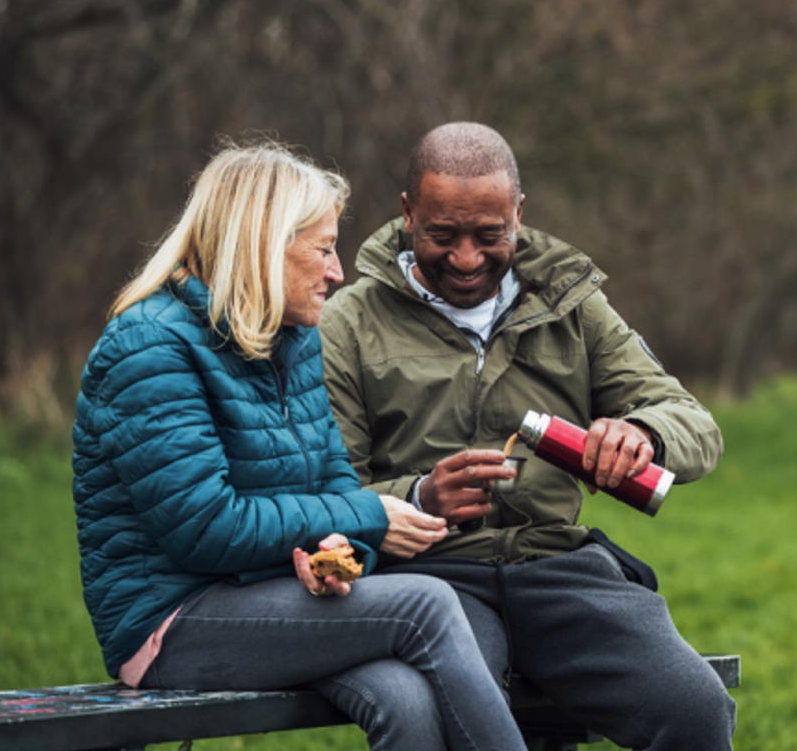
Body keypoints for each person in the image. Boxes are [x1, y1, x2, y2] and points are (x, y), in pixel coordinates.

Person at [71, 141, 531, 751]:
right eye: (323, 249)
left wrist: (339, 557)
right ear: (263, 244)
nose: (337, 272)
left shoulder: (293, 341)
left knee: (406, 698)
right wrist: (366, 516)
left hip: (269, 598)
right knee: (428, 602)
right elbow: (206, 525)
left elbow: (333, 485)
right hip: (171, 623)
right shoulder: (149, 348)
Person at [319, 122, 737, 750]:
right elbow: (327, 487)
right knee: (453, 719)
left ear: (519, 213)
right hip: (432, 579)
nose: (465, 258)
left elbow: (695, 424)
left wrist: (643, 432)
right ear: (408, 214)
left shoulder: (572, 305)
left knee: (695, 707)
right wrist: (421, 496)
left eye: (489, 235)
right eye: (441, 235)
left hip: (561, 570)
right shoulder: (348, 323)